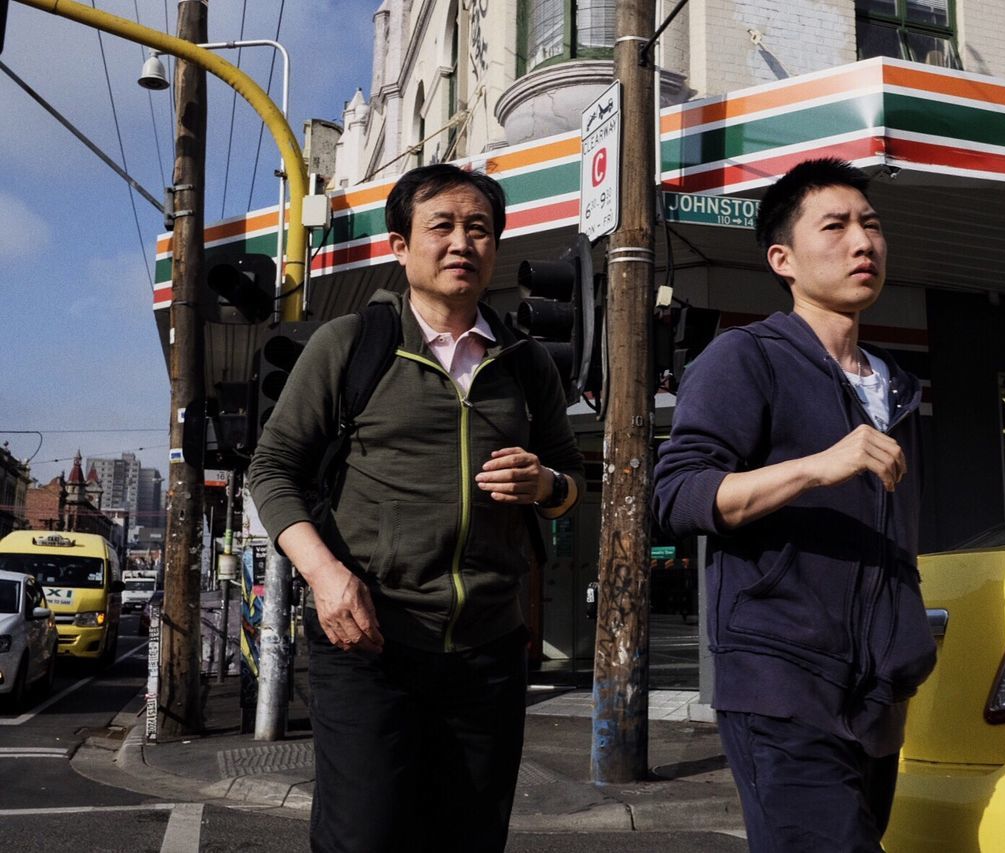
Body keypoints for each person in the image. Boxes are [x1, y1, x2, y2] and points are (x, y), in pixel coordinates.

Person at [248, 163, 584, 853]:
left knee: (469, 839)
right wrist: (324, 574)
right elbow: (272, 469)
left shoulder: (525, 363)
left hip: (489, 649)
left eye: (480, 228)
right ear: (400, 245)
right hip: (370, 640)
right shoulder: (349, 345)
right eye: (443, 226)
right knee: (364, 838)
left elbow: (572, 480)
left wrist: (546, 483)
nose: (463, 242)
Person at [651, 158, 937, 852]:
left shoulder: (895, 387)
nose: (862, 243)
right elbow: (676, 494)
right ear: (782, 258)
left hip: (878, 697)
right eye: (834, 226)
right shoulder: (745, 357)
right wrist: (816, 466)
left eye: (870, 225)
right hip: (782, 685)